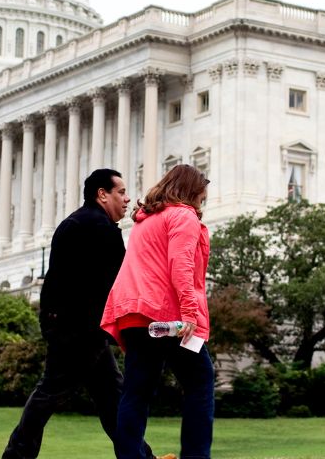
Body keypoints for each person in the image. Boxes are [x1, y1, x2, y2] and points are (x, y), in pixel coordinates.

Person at [3, 170, 167, 459]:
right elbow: (122, 279)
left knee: (111, 399)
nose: (127, 198)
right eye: (121, 192)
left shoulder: (74, 222)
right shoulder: (100, 228)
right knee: (51, 393)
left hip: (72, 325)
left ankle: (142, 456)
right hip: (79, 330)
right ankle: (15, 456)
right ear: (102, 194)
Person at [101, 164, 213, 459]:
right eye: (201, 199)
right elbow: (181, 266)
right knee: (201, 381)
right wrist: (190, 313)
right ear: (191, 192)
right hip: (169, 317)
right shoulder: (183, 216)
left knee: (136, 392)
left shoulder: (145, 220)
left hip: (134, 314)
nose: (201, 205)